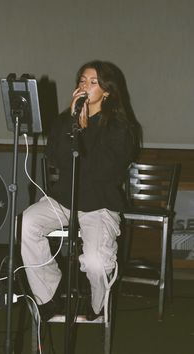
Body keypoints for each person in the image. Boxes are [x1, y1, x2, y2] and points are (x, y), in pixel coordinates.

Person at [21, 60, 142, 321]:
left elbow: (106, 170)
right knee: (29, 221)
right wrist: (73, 124)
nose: (85, 86)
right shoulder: (66, 120)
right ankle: (48, 295)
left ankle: (98, 304)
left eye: (93, 82)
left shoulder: (121, 126)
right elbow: (54, 158)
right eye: (82, 81)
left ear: (107, 91)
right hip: (64, 198)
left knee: (97, 263)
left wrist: (84, 131)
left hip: (100, 202)